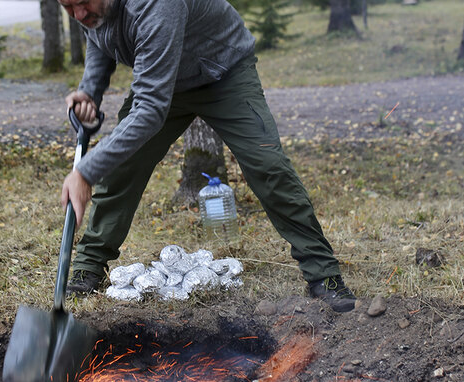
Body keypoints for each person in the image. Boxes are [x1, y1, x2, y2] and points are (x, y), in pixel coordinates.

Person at [59, 0, 357, 312]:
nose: (78, 14)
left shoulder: (156, 4)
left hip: (222, 73)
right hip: (162, 80)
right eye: (67, 6)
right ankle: (89, 264)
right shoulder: (94, 8)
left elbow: (149, 110)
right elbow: (99, 35)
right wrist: (89, 91)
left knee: (268, 167)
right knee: (120, 167)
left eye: (82, 2)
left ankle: (324, 275)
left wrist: (84, 172)